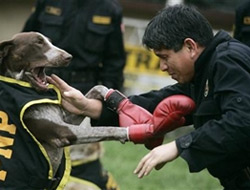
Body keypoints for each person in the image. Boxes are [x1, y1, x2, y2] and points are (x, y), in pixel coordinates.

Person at [48, 4, 250, 190]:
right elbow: (155, 102)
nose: (162, 67)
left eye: (164, 57)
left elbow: (242, 121)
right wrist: (88, 107)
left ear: (190, 46)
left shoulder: (228, 60)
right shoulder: (202, 73)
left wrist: (178, 146)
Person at [22, 0, 126, 190]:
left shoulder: (109, 9)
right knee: (35, 153)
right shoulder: (48, 2)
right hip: (43, 88)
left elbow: (115, 62)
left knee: (78, 160)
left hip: (84, 95)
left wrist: (103, 105)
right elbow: (26, 43)